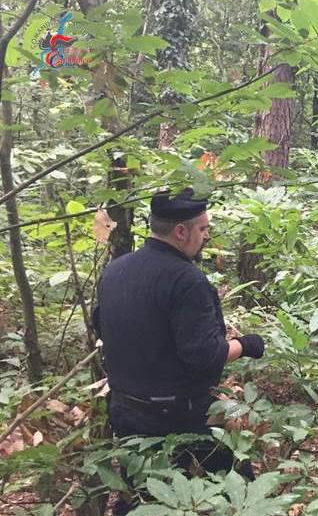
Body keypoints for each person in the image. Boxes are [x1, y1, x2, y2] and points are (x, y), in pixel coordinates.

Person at [94, 188, 265, 475]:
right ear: (181, 232)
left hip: (125, 410)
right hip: (179, 415)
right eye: (203, 228)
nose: (206, 236)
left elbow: (101, 326)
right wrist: (247, 345)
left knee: (139, 500)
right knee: (239, 486)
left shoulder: (115, 270)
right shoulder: (186, 279)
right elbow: (204, 356)